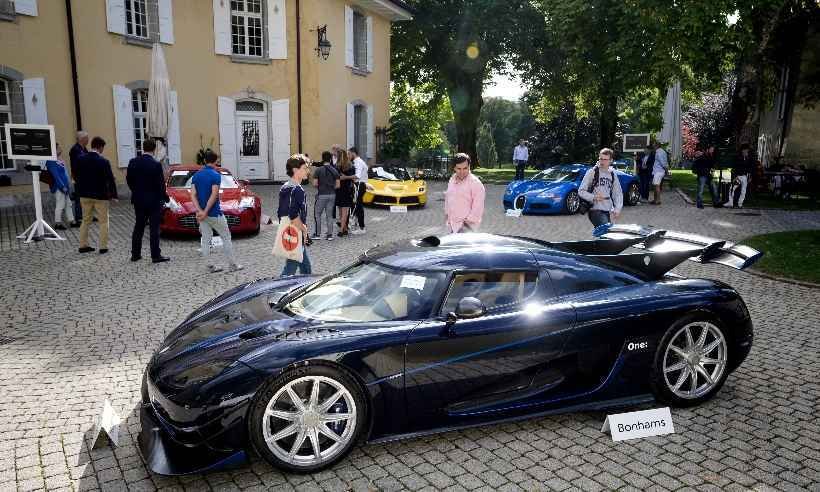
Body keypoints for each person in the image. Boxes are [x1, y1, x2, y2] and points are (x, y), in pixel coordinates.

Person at [191, 151, 242, 273]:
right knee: (226, 237)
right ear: (216, 161)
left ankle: (210, 266)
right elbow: (214, 195)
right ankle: (232, 265)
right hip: (214, 213)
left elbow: (193, 195)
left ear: (205, 160)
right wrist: (206, 211)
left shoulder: (196, 175)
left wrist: (200, 211)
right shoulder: (215, 175)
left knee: (206, 239)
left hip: (202, 214)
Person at [126, 139, 170, 263]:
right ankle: (155, 255)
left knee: (139, 227)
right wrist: (165, 197)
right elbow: (160, 184)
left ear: (143, 148)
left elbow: (129, 180)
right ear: (154, 149)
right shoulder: (155, 164)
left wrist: (136, 191)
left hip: (138, 199)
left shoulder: (133, 162)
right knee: (154, 229)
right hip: (154, 201)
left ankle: (135, 254)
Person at [77, 137, 117, 254]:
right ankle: (103, 247)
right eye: (103, 148)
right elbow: (110, 179)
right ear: (100, 147)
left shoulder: (80, 159)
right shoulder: (103, 161)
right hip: (101, 196)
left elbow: (77, 176)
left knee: (85, 220)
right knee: (103, 221)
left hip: (84, 194)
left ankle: (83, 245)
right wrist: (114, 195)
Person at [278, 154, 312, 276]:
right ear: (295, 170)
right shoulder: (298, 190)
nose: (308, 171)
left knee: (306, 268)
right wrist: (303, 229)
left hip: (289, 232)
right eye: (304, 168)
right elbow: (293, 214)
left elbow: (281, 212)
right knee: (289, 270)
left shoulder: (285, 187)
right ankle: (278, 290)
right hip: (295, 234)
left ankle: (306, 285)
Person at [578, 148, 623, 227]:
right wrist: (594, 197)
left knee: (607, 236)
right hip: (595, 210)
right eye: (601, 159)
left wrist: (617, 208)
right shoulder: (592, 172)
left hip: (608, 210)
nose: (602, 162)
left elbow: (617, 193)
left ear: (611, 160)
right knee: (606, 232)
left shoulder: (612, 174)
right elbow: (581, 191)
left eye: (605, 159)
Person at [444, 153, 485, 233]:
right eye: (459, 169)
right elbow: (448, 198)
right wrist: (447, 217)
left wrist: (466, 225)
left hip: (467, 228)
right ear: (454, 168)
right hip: (452, 226)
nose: (462, 172)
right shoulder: (452, 180)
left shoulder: (475, 183)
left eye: (465, 168)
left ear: (469, 167)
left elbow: (478, 208)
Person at [45, 144, 79, 230]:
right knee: (60, 204)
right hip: (58, 187)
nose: (60, 149)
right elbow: (56, 175)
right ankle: (57, 223)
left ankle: (72, 221)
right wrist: (62, 186)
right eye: (58, 148)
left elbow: (64, 173)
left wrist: (67, 184)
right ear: (54, 150)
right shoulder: (51, 161)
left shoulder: (59, 160)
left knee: (68, 204)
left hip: (65, 186)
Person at [312, 151, 340, 241]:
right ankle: (330, 235)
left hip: (322, 195)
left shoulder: (318, 170)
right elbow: (338, 185)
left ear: (322, 158)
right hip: (332, 195)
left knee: (317, 214)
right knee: (329, 215)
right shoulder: (335, 170)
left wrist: (321, 186)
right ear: (330, 158)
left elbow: (315, 184)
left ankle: (317, 234)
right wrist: (331, 188)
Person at [724, 143, 755, 209]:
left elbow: (751, 168)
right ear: (742, 150)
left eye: (747, 150)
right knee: (732, 189)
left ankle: (740, 204)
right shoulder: (738, 157)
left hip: (745, 176)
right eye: (745, 150)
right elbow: (735, 167)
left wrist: (750, 177)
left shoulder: (749, 158)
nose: (746, 151)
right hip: (738, 176)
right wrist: (735, 176)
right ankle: (730, 203)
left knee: (743, 191)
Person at [335, 149, 355, 237]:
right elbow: (354, 178)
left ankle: (345, 228)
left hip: (338, 190)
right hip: (347, 190)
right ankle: (341, 230)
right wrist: (346, 177)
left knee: (340, 210)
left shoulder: (336, 166)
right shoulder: (350, 165)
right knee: (345, 211)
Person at [69, 131, 89, 222]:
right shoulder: (75, 149)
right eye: (87, 138)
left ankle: (87, 215)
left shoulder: (83, 148)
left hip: (85, 177)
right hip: (79, 177)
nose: (88, 140)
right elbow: (80, 163)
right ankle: (79, 217)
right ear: (82, 139)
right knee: (79, 198)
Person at [349, 147, 368, 235]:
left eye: (349, 154)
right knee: (357, 205)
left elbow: (357, 176)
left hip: (359, 185)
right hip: (360, 185)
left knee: (358, 206)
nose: (348, 156)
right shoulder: (358, 161)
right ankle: (356, 223)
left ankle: (362, 227)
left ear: (353, 153)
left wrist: (345, 177)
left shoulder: (358, 162)